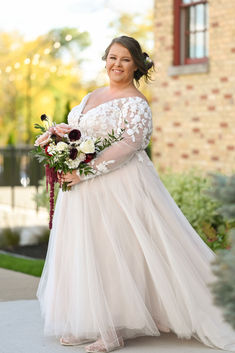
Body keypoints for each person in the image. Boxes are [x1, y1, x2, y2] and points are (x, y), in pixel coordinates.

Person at [36, 36, 235, 353]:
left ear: (136, 66)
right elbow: (84, 133)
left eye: (125, 59)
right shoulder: (92, 95)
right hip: (79, 188)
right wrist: (60, 136)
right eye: (112, 57)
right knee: (83, 250)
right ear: (105, 60)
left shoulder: (136, 103)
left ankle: (115, 328)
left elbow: (129, 145)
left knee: (114, 251)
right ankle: (88, 320)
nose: (116, 64)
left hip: (120, 185)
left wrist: (85, 171)